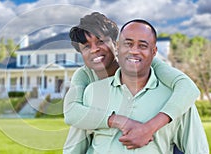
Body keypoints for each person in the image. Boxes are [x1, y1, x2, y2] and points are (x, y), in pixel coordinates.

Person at [63, 12, 200, 153]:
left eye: (100, 41)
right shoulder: (86, 82)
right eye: (86, 46)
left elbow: (188, 88)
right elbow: (72, 112)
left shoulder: (150, 64)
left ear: (114, 44)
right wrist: (118, 121)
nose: (95, 49)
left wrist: (148, 129)